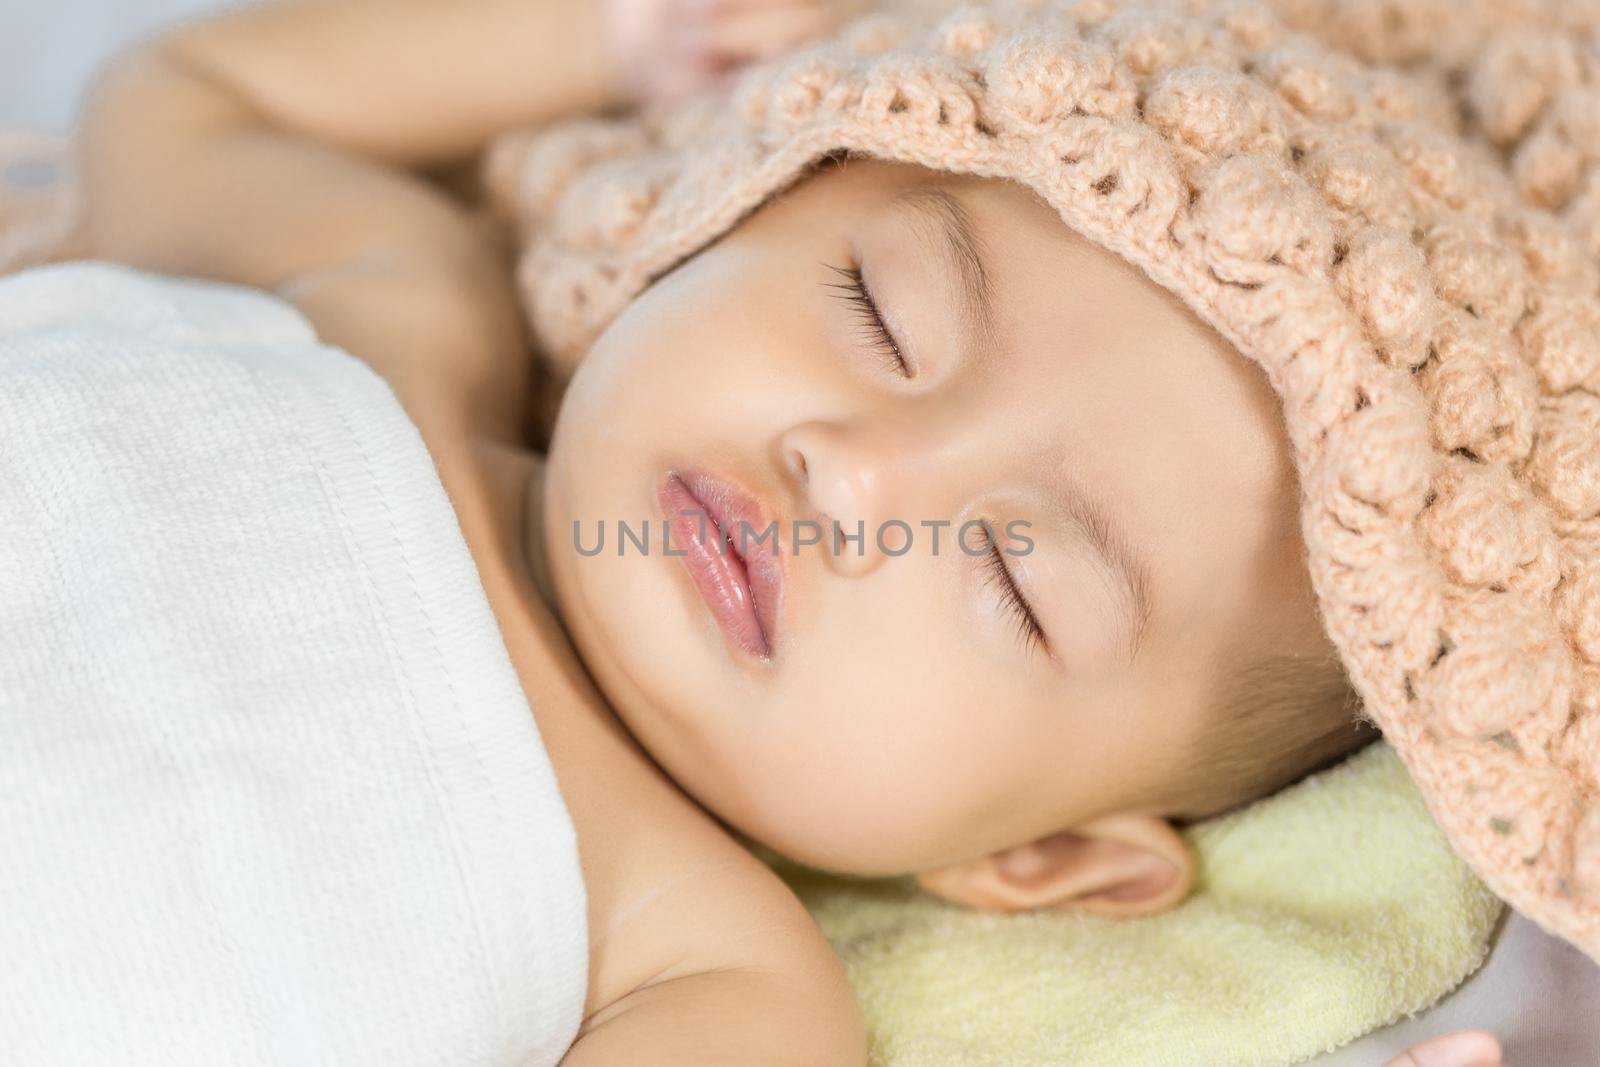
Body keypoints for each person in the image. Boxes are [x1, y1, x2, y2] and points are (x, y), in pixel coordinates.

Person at [71, 0, 1527, 1062]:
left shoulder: (702, 974)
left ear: (1042, 858)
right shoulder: (386, 308)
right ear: (730, 213)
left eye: (1016, 580)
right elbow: (188, 92)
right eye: (877, 313)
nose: (857, 478)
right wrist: (625, 40)